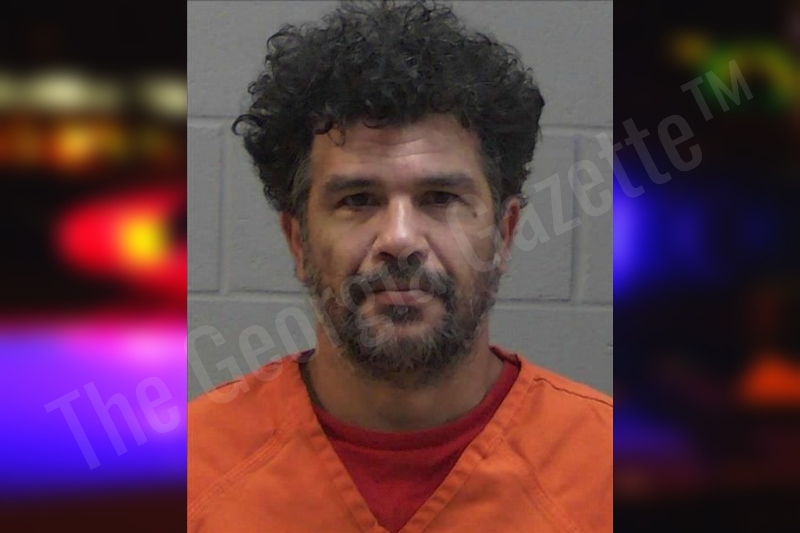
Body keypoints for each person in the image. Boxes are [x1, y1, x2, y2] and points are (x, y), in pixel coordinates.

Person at [188, 1, 612, 531]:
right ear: (298, 241)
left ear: (504, 234)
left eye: (440, 197)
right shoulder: (191, 469)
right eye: (358, 200)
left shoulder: (607, 468)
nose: (400, 240)